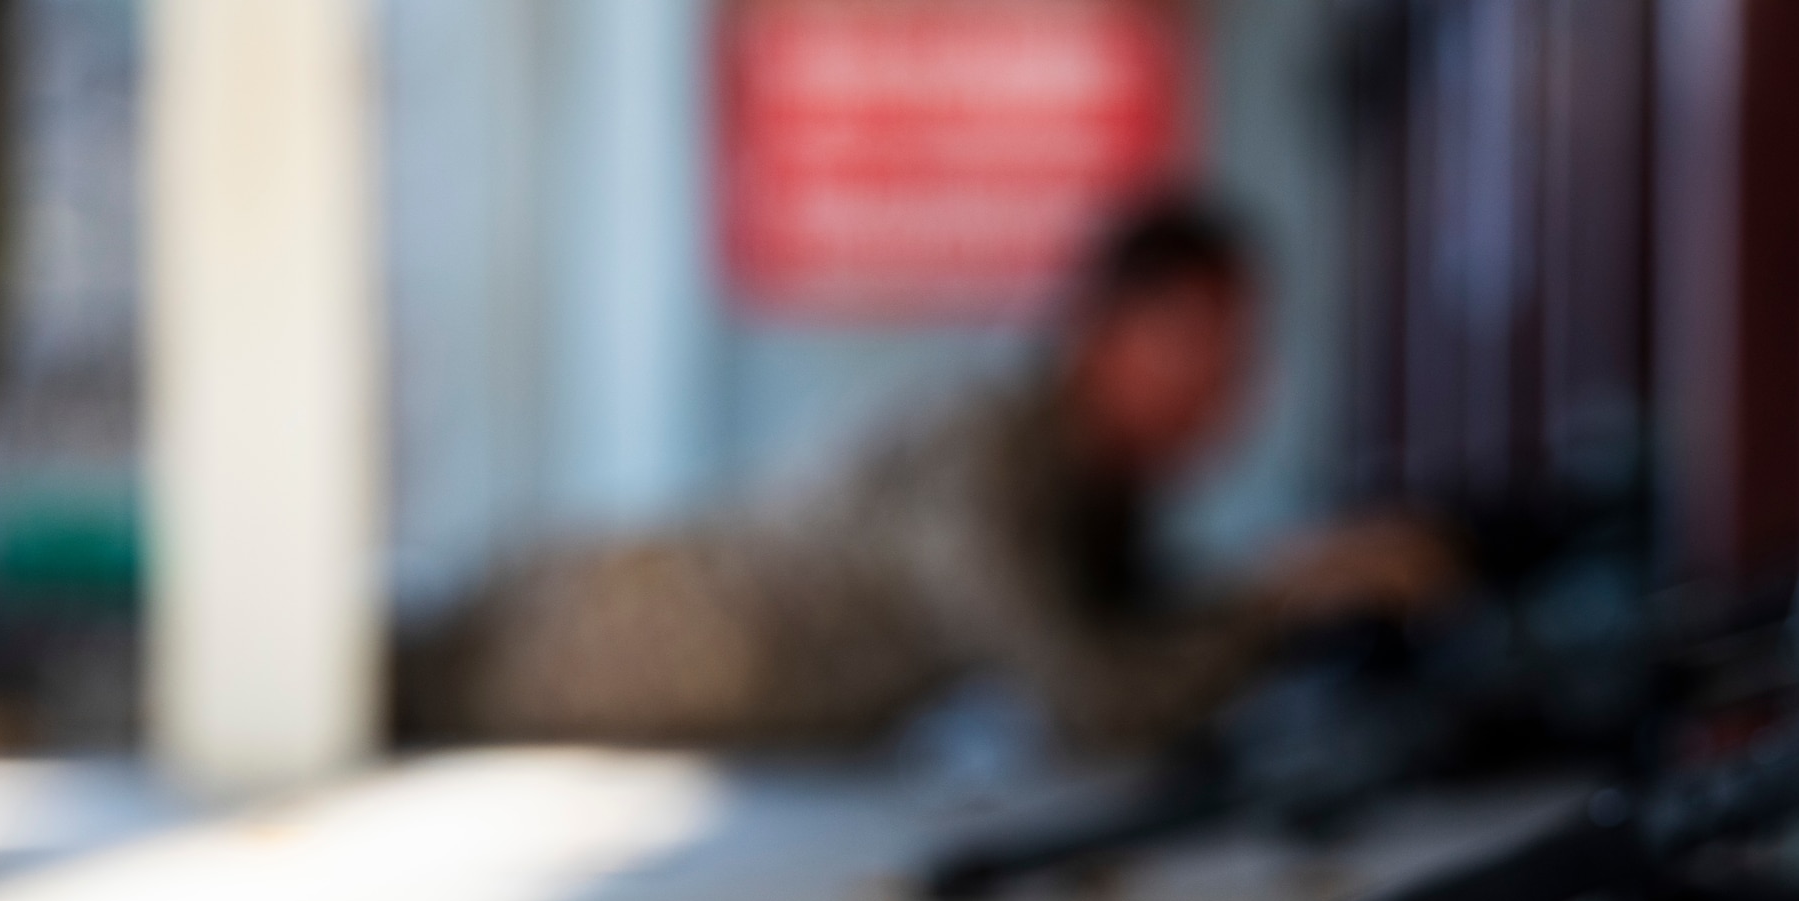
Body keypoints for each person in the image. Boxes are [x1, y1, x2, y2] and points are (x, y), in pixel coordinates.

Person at [408, 195, 1459, 750]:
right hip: (566, 649)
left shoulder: (1096, 490)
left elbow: (1129, 640)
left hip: (615, 653)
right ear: (1100, 333)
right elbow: (1089, 699)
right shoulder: (992, 455)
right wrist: (1283, 596)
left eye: (1238, 360)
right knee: (304, 692)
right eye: (1199, 350)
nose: (1227, 392)